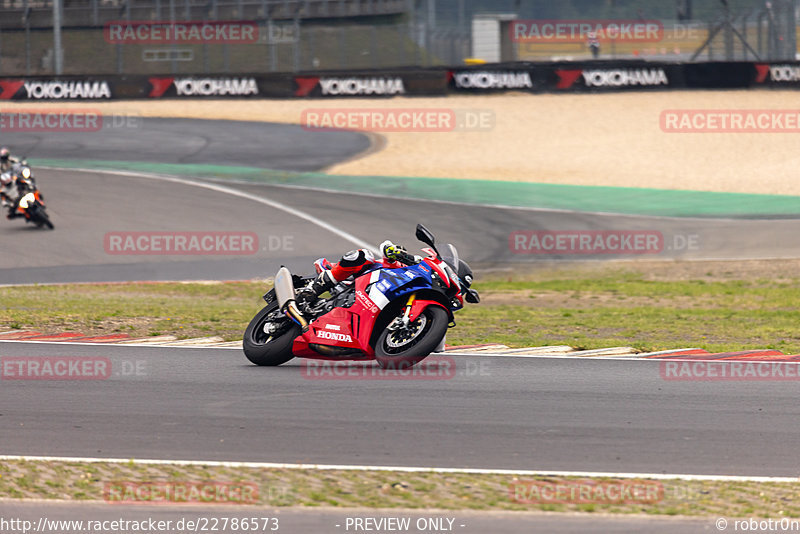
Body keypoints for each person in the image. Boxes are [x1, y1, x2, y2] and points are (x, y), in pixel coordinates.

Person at [296, 241, 411, 306]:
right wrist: (396, 251)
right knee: (364, 255)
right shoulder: (410, 267)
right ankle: (313, 289)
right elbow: (385, 246)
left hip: (372, 305)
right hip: (353, 282)